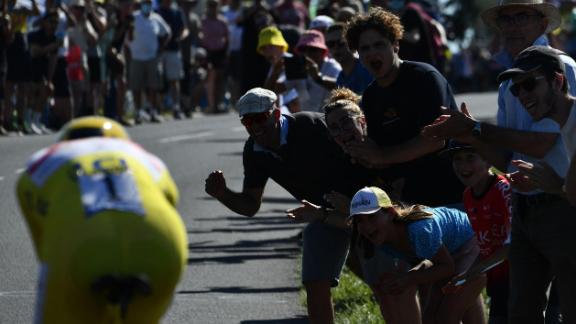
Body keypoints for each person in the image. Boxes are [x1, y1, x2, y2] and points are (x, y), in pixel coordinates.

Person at [422, 0, 576, 320]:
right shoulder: (510, 81)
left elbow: (542, 144)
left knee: (564, 311)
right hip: (525, 208)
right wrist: (470, 137)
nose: (513, 25)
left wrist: (476, 129)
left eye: (523, 16)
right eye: (506, 19)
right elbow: (507, 158)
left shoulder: (560, 67)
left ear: (542, 23)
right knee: (519, 311)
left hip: (563, 204)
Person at [205, 87, 371, 324]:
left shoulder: (310, 125)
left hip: (364, 205)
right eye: (247, 121)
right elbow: (250, 205)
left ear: (275, 114)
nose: (254, 127)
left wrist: (357, 204)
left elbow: (357, 155)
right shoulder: (254, 151)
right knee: (314, 278)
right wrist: (222, 194)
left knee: (378, 275)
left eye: (259, 118)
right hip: (321, 215)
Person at [16, 116, 188, 324]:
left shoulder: (40, 164)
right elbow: (171, 202)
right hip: (160, 246)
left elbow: (43, 249)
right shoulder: (147, 159)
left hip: (80, 251)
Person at [344, 7, 463, 207]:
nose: (372, 53)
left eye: (379, 45)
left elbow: (436, 140)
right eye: (364, 48)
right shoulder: (371, 97)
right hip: (408, 200)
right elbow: (379, 152)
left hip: (451, 195)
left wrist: (381, 156)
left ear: (395, 45)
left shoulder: (424, 77)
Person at [348, 186, 484, 324]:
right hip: (451, 252)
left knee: (447, 317)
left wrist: (408, 278)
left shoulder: (418, 230)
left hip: (472, 241)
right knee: (430, 318)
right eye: (359, 221)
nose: (367, 226)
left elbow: (447, 267)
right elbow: (433, 261)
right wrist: (401, 279)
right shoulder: (384, 240)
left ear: (390, 212)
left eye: (371, 217)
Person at [440, 142, 512, 324]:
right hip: (497, 279)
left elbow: (515, 242)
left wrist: (478, 268)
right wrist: (467, 274)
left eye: (471, 157)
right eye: (458, 159)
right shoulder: (468, 196)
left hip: (519, 274)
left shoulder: (504, 188)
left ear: (489, 161)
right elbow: (487, 244)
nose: (463, 166)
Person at [128, 0, 171, 124]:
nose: (146, 6)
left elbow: (167, 32)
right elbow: (128, 35)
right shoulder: (134, 17)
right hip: (136, 57)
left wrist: (161, 48)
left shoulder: (156, 18)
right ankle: (138, 112)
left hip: (152, 57)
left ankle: (153, 111)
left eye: (148, 3)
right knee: (137, 87)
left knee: (153, 86)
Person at [312, 22, 373, 95]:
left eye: (341, 42)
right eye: (331, 44)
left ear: (351, 43)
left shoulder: (367, 69)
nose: (336, 48)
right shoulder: (341, 78)